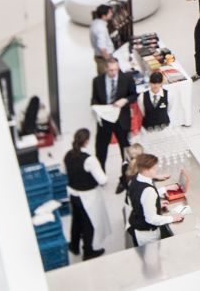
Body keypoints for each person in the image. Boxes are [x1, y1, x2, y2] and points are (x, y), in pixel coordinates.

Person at [64, 129, 109, 259]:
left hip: (73, 194)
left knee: (76, 220)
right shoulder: (89, 160)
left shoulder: (67, 155)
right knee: (88, 223)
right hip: (88, 197)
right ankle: (88, 251)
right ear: (87, 141)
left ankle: (74, 245)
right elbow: (103, 180)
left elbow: (63, 170)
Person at [125, 153, 184, 247]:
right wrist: (172, 218)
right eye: (154, 168)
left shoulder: (135, 178)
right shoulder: (149, 191)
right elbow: (151, 219)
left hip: (135, 225)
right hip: (147, 235)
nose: (157, 170)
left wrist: (157, 203)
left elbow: (140, 199)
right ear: (145, 170)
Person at [92, 57, 138, 166]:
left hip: (121, 119)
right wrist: (94, 108)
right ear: (105, 69)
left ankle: (127, 173)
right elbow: (94, 98)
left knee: (125, 148)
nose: (114, 72)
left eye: (116, 70)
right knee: (101, 148)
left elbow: (134, 95)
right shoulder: (97, 81)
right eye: (111, 70)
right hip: (105, 118)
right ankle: (100, 172)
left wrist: (125, 100)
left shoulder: (127, 78)